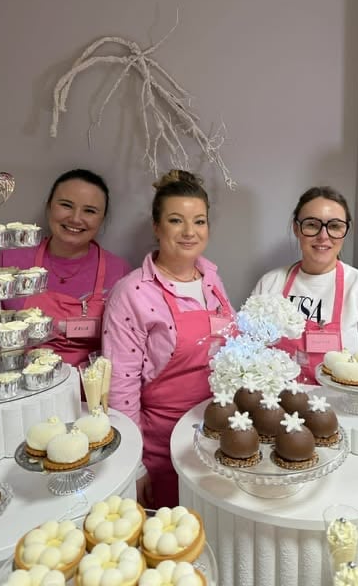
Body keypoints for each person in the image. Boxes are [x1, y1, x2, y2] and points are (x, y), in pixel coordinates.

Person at [102, 169, 234, 508]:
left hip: (216, 438)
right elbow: (120, 388)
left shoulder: (212, 278)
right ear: (157, 226)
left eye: (199, 221)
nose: (190, 232)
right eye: (176, 220)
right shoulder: (132, 292)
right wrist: (135, 464)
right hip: (160, 448)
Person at [252, 185, 358, 383]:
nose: (323, 236)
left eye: (335, 226)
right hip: (276, 407)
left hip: (343, 411)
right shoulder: (270, 284)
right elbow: (250, 356)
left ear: (345, 231)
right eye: (312, 224)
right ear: (296, 228)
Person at [0, 168, 131, 366]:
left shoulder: (118, 272)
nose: (76, 218)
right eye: (66, 205)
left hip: (87, 392)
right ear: (49, 207)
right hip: (20, 388)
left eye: (90, 211)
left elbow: (125, 348)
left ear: (102, 219)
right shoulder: (8, 261)